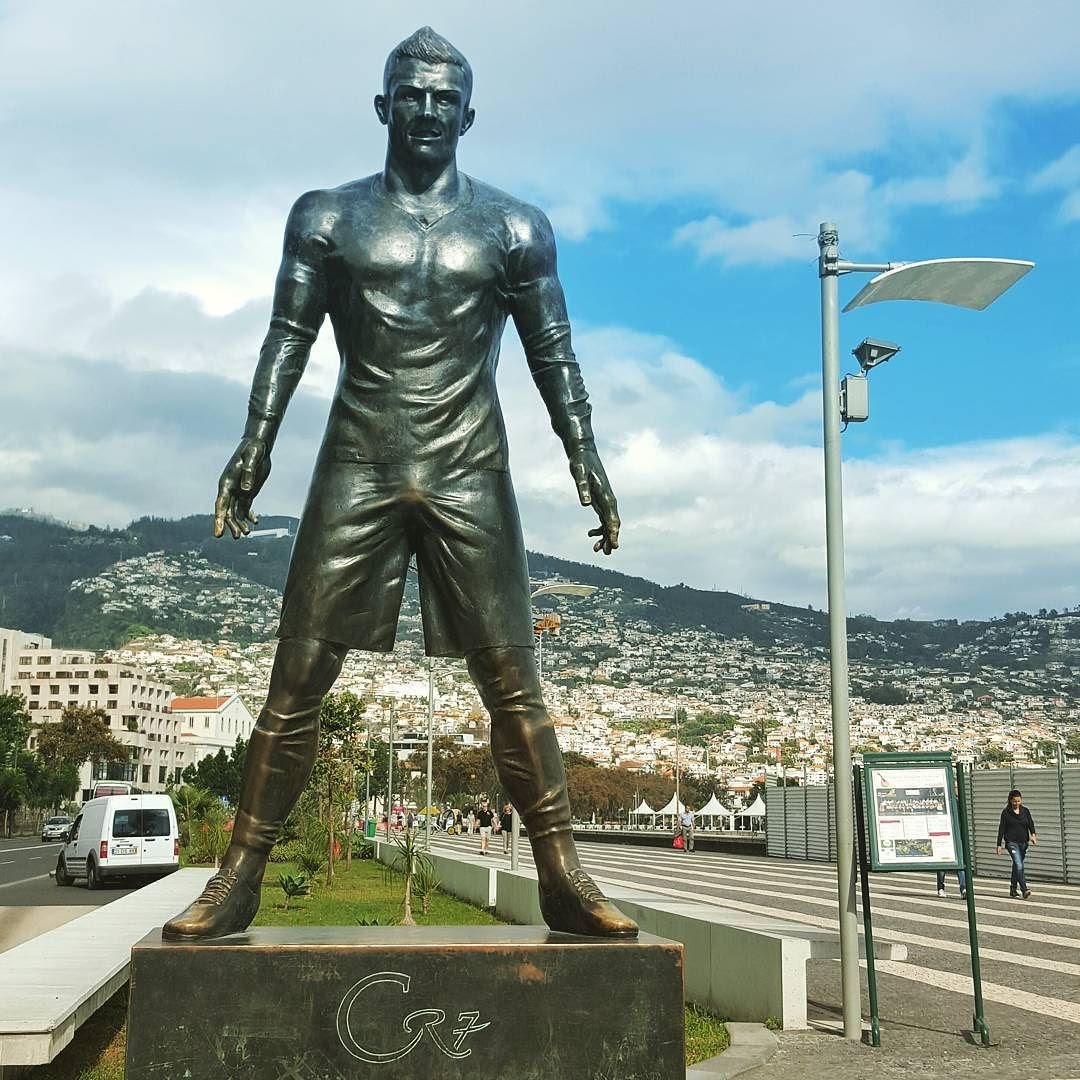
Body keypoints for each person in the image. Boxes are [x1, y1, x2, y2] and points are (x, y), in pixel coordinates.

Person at [163, 27, 635, 941]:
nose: (426, 111)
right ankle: (239, 875)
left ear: (468, 115)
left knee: (513, 680)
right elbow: (288, 335)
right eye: (410, 95)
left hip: (469, 466)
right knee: (297, 675)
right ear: (383, 106)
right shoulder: (327, 218)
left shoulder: (516, 228)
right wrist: (254, 445)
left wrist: (584, 452)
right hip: (358, 462)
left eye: (443, 98)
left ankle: (563, 875)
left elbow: (554, 351)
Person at [996, 788, 1037, 899]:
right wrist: (999, 845)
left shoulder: (1025, 811)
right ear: (1010, 800)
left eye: (1019, 801)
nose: (1017, 803)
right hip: (1011, 842)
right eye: (1014, 801)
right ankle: (1024, 889)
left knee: (1017, 865)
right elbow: (1001, 829)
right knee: (1019, 865)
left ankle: (1013, 889)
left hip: (1023, 842)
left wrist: (1033, 835)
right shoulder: (1006, 813)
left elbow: (1030, 824)